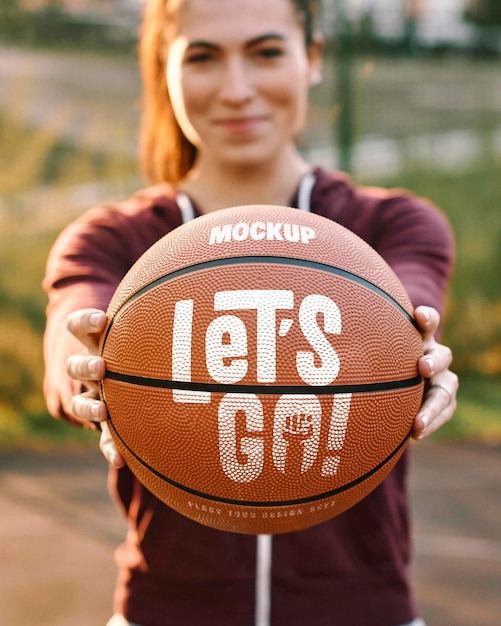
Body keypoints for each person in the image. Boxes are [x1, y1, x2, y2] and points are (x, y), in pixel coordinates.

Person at [43, 0, 458, 624]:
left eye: (266, 52)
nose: (237, 90)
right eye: (205, 57)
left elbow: (410, 309)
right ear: (166, 66)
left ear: (312, 58)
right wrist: (86, 369)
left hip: (363, 608)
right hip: (167, 609)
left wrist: (415, 358)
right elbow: (72, 332)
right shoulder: (112, 240)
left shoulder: (392, 226)